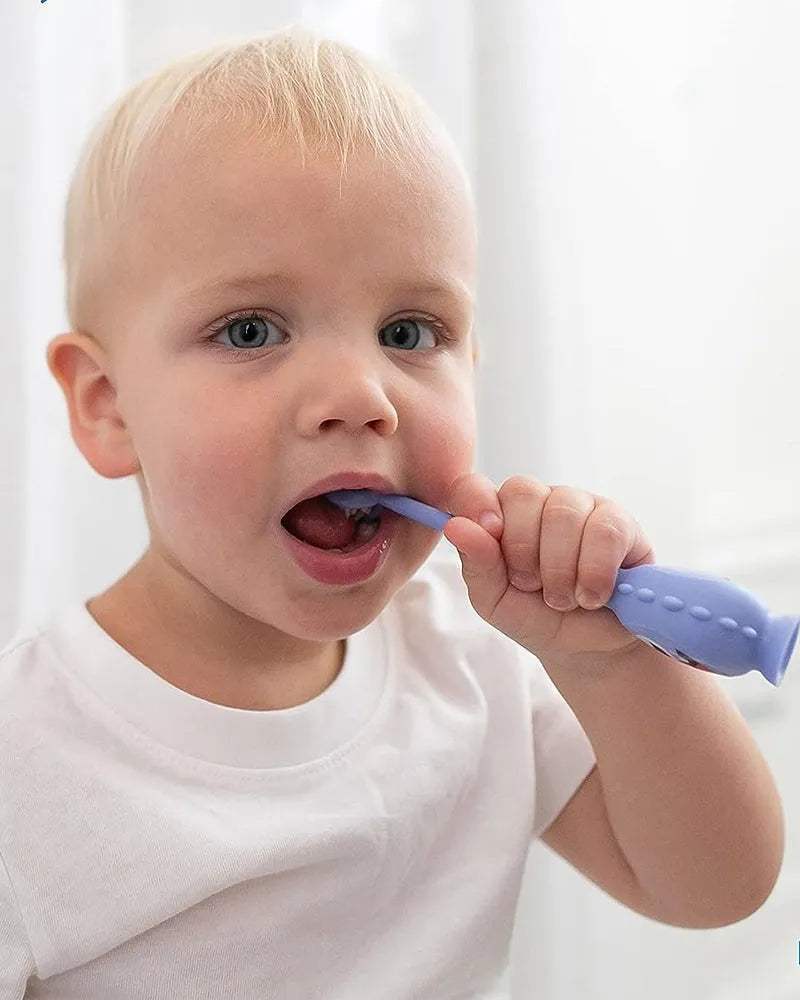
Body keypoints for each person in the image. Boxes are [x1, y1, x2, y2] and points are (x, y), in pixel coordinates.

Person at [0, 24, 783, 999]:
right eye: (251, 330)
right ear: (108, 406)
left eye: (409, 331)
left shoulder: (475, 663)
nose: (361, 396)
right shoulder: (25, 759)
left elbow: (714, 885)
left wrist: (607, 662)